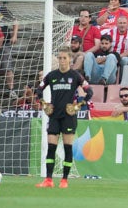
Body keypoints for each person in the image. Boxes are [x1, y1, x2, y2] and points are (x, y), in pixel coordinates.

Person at [36, 52, 89, 189]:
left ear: (70, 59)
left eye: (64, 58)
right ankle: (48, 179)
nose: (62, 60)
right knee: (51, 148)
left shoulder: (75, 76)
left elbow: (90, 92)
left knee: (68, 148)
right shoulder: (51, 76)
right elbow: (39, 90)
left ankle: (64, 180)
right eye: (60, 58)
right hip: (54, 116)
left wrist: (78, 106)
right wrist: (44, 104)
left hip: (68, 117)